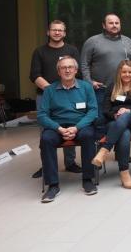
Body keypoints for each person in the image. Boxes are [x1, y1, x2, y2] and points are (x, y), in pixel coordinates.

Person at [37, 57, 99, 203]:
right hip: (57, 127)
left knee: (89, 135)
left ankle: (88, 180)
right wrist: (58, 128)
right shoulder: (50, 90)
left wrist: (76, 128)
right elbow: (42, 115)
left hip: (80, 125)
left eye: (70, 67)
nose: (67, 70)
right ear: (58, 71)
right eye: (63, 68)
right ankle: (53, 185)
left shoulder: (86, 87)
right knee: (46, 139)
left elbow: (93, 111)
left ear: (76, 70)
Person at [29, 20, 81, 178]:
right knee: (46, 131)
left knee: (70, 125)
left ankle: (70, 162)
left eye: (60, 30)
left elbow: (76, 72)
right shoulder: (39, 51)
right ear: (48, 32)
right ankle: (46, 166)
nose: (57, 32)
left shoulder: (72, 50)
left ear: (64, 33)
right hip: (45, 95)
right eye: (54, 30)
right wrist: (52, 90)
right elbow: (35, 75)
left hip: (69, 94)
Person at [91, 60, 131, 189]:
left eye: (130, 72)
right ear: (119, 73)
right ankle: (124, 173)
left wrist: (128, 111)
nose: (127, 74)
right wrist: (115, 115)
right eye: (124, 72)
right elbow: (106, 110)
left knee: (126, 116)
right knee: (124, 133)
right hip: (115, 123)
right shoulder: (112, 87)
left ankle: (104, 150)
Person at [80, 13, 131, 126]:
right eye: (111, 23)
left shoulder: (128, 41)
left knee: (120, 121)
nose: (114, 25)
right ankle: (100, 143)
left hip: (123, 90)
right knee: (99, 121)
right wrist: (89, 82)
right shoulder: (92, 41)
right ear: (104, 25)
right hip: (100, 89)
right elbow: (84, 64)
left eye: (117, 23)